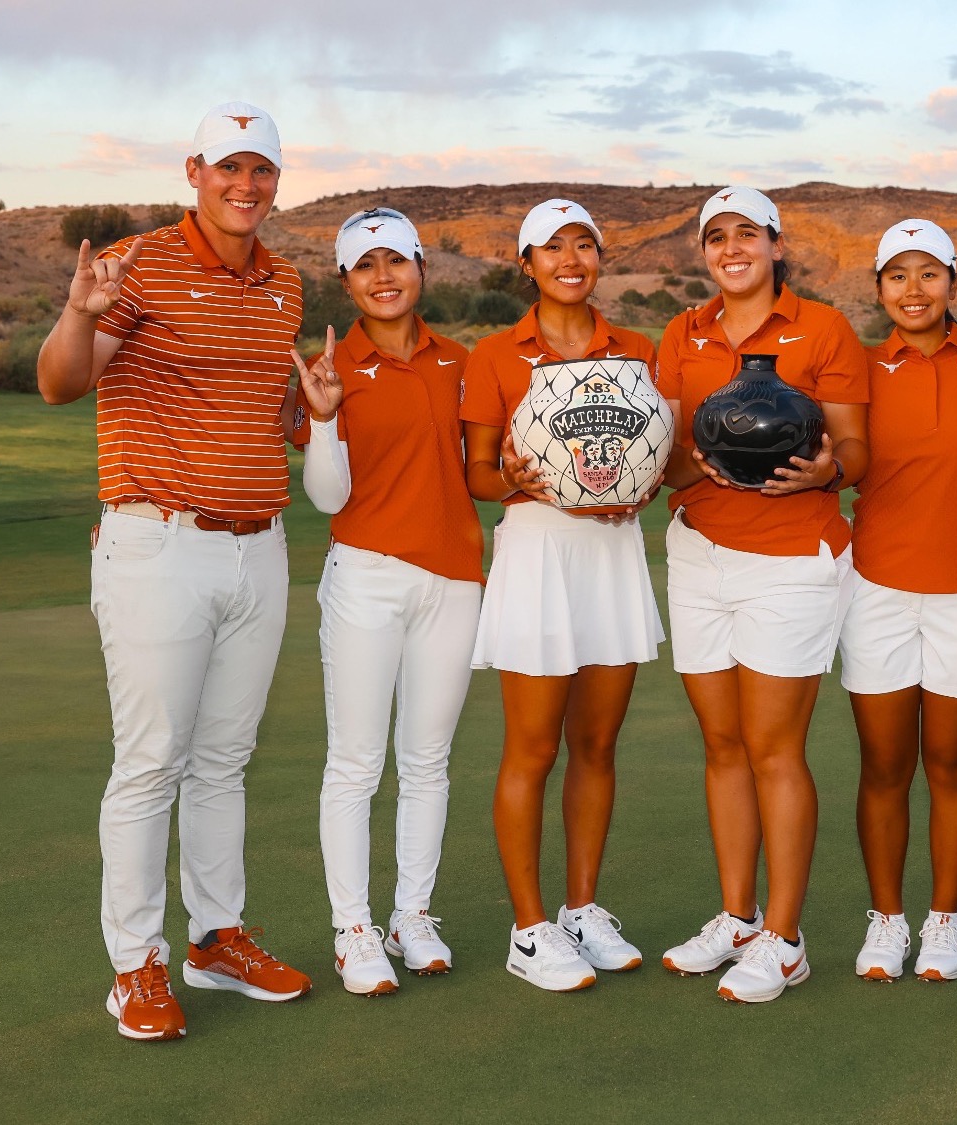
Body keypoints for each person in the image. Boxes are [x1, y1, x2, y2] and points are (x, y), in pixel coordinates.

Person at [36, 102, 315, 1042]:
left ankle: (216, 937)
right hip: (159, 542)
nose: (246, 186)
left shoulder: (286, 283)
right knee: (151, 761)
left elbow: (258, 406)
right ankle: (135, 967)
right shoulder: (138, 263)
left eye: (262, 171)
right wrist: (78, 313)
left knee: (224, 760)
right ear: (195, 170)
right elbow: (61, 382)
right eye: (229, 168)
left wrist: (310, 413)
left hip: (260, 547)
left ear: (278, 181)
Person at [656, 186, 871, 1003]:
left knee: (774, 746)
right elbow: (669, 452)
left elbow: (855, 446)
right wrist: (687, 465)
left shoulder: (824, 328)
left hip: (791, 559)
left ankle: (785, 937)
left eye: (748, 233)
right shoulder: (684, 331)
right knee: (723, 746)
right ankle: (738, 916)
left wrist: (828, 470)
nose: (732, 247)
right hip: (700, 551)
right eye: (717, 236)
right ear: (703, 253)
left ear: (777, 245)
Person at [459, 199, 664, 992]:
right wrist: (509, 478)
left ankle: (582, 907)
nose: (571, 258)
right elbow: (478, 473)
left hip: (612, 555)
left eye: (586, 245)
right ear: (527, 264)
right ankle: (529, 927)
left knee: (598, 745)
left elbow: (654, 451)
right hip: (539, 554)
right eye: (553, 248)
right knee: (533, 748)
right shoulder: (495, 355)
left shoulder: (637, 347)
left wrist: (641, 488)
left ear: (600, 259)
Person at [288, 208, 482, 996]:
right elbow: (328, 495)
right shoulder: (330, 368)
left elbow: (479, 471)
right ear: (345, 281)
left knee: (428, 760)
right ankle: (353, 927)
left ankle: (412, 914)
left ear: (421, 269)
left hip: (455, 579)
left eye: (395, 261)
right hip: (366, 577)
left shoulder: (461, 362)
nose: (383, 276)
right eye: (365, 266)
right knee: (358, 762)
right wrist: (326, 419)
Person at [841, 220, 957, 983]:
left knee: (950, 762)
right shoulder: (858, 367)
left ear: (953, 283)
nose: (914, 290)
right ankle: (886, 920)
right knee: (883, 764)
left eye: (929, 273)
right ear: (878, 288)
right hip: (876, 586)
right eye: (897, 275)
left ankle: (944, 920)